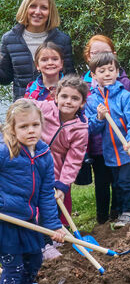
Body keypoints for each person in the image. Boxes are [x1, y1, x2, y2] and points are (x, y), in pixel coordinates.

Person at [0, 99, 67, 284]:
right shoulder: (4, 151)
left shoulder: (44, 154)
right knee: (13, 268)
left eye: (35, 125)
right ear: (11, 128)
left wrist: (54, 226)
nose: (30, 130)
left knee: (34, 259)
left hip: (28, 220)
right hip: (6, 222)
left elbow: (46, 195)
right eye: (23, 126)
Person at [83, 35, 130, 224]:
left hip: (127, 148)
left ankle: (129, 212)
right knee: (115, 183)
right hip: (108, 151)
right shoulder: (92, 100)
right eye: (102, 71)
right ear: (93, 75)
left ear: (117, 72)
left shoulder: (125, 96)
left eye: (111, 70)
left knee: (125, 182)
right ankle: (115, 216)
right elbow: (90, 128)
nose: (107, 74)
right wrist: (99, 118)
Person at [38, 75, 89, 258]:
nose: (68, 101)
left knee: (52, 205)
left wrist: (63, 185)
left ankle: (48, 239)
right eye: (64, 96)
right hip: (31, 166)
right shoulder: (44, 108)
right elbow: (22, 105)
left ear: (82, 103)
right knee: (32, 207)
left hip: (55, 172)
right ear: (56, 96)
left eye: (75, 98)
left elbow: (74, 160)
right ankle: (42, 245)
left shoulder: (80, 129)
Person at [0, 0, 74, 99]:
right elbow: (5, 78)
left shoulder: (62, 40)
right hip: (23, 107)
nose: (37, 12)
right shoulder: (9, 39)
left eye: (44, 7)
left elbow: (69, 78)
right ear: (25, 8)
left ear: (50, 12)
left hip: (54, 106)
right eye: (33, 6)